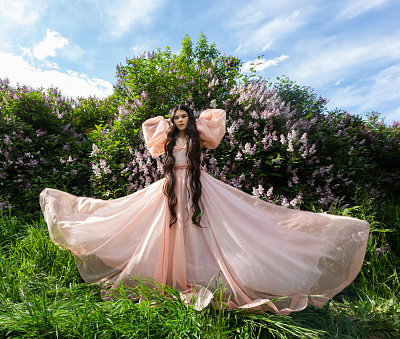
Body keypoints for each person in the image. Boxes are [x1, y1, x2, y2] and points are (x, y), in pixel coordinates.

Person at [40, 104, 369, 314]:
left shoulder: (198, 137)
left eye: (183, 116)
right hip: (170, 189)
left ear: (190, 119)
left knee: (222, 229)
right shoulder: (168, 138)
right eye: (176, 117)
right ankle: (164, 275)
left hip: (197, 188)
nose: (179, 121)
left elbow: (215, 126)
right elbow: (159, 147)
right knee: (145, 224)